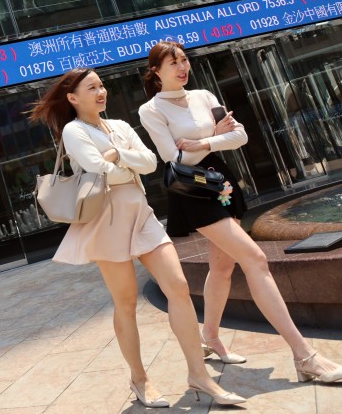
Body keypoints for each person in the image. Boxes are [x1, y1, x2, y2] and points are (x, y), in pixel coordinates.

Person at [29, 68, 244, 407]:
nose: (101, 91)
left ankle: (198, 375)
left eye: (101, 85)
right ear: (73, 98)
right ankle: (139, 379)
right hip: (106, 220)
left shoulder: (120, 125)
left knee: (178, 286)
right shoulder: (73, 130)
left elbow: (150, 163)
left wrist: (118, 156)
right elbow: (100, 170)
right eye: (92, 87)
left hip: (141, 213)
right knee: (126, 304)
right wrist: (123, 162)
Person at [138, 41, 342, 384]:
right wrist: (214, 136)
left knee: (222, 266)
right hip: (194, 190)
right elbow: (174, 159)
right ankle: (304, 356)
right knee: (256, 259)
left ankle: (210, 337)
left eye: (184, 60)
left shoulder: (204, 95)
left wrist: (205, 142)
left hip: (221, 181)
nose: (183, 67)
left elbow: (241, 136)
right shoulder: (151, 110)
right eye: (174, 63)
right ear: (156, 71)